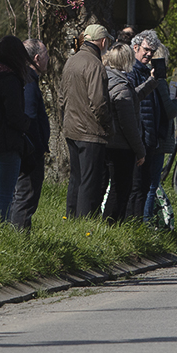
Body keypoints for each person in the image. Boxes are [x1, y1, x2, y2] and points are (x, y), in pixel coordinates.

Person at [0, 36, 34, 223]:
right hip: (7, 142)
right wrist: (28, 124)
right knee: (5, 196)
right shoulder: (10, 79)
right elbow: (14, 115)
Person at [63, 23, 113, 217]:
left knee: (75, 178)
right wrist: (107, 124)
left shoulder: (71, 61)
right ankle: (84, 222)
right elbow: (99, 102)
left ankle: (71, 217)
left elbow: (61, 97)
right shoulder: (95, 64)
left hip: (72, 128)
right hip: (90, 131)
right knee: (89, 181)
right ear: (103, 41)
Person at [103, 42, 147, 221]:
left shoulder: (108, 79)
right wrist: (140, 150)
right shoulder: (122, 87)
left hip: (108, 143)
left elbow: (133, 98)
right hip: (121, 146)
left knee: (111, 187)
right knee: (120, 190)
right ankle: (112, 225)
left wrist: (151, 82)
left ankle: (108, 224)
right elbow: (129, 125)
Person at [10, 39, 51, 231]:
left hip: (27, 148)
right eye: (46, 55)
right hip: (29, 151)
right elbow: (29, 118)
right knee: (26, 197)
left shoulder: (25, 78)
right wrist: (34, 148)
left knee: (23, 197)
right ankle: (18, 238)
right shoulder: (28, 82)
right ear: (36, 58)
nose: (48, 59)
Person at [128, 31, 168, 222]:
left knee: (144, 186)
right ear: (135, 47)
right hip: (139, 137)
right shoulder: (132, 71)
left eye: (152, 51)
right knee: (136, 186)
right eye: (146, 49)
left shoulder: (146, 71)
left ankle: (139, 225)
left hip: (149, 138)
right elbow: (133, 102)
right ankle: (132, 224)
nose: (149, 54)